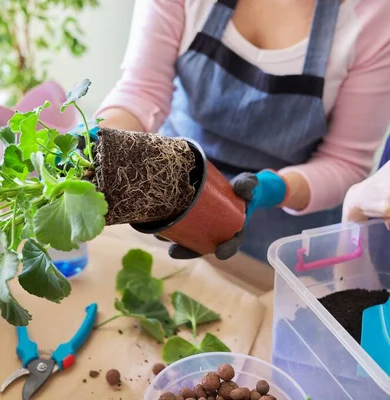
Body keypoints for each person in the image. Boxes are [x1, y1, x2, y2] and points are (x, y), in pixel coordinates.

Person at [96, 0, 390, 262]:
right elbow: (142, 89)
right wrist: (98, 145)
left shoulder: (375, 17)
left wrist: (273, 189)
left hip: (281, 231)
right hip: (173, 189)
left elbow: (345, 161)